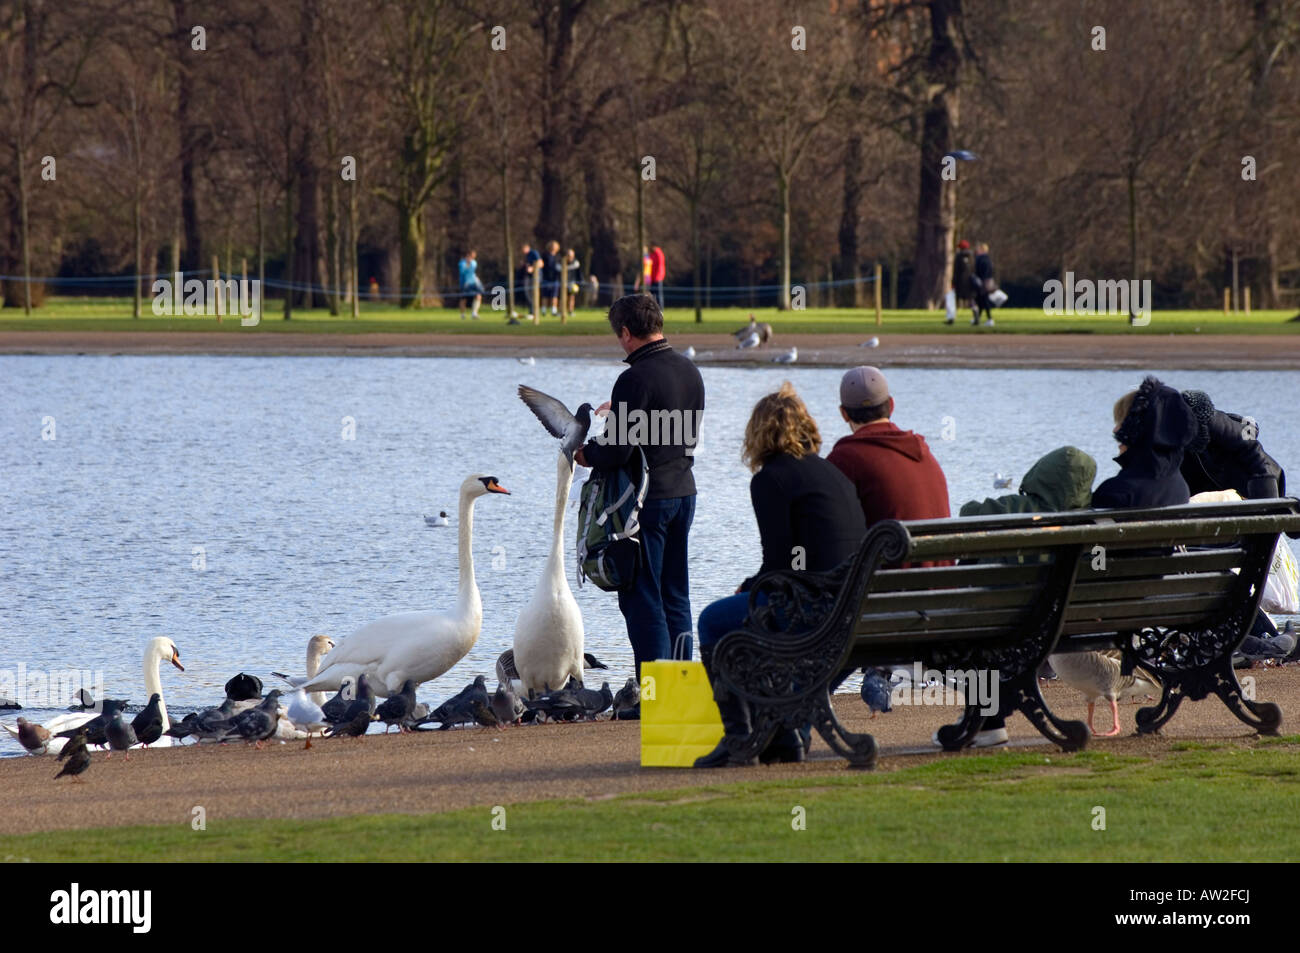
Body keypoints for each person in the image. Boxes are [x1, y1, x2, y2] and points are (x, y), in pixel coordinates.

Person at [694, 382, 867, 767]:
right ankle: (785, 735)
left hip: (814, 608)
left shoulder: (771, 479)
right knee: (757, 611)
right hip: (852, 607)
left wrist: (750, 586)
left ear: (759, 432)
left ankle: (740, 739)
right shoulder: (831, 472)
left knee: (713, 622)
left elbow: (779, 564)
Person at [574, 294, 705, 706]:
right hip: (684, 493)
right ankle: (681, 693)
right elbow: (668, 428)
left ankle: (656, 701)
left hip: (646, 505)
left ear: (627, 333)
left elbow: (617, 452)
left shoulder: (634, 378)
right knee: (676, 597)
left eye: (619, 336)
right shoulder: (689, 370)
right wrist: (625, 414)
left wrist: (585, 452)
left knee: (643, 600)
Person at [955, 446, 1098, 747]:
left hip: (1005, 620)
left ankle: (987, 718)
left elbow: (967, 513)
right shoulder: (1094, 519)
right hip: (1065, 623)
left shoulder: (1016, 507)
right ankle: (988, 715)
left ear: (1040, 476)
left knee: (977, 634)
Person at [826, 366, 951, 532]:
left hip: (890, 557)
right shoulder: (923, 452)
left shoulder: (845, 458)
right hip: (939, 556)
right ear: (891, 405)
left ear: (844, 414)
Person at [1092, 376, 1197, 509]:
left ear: (1138, 428)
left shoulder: (1116, 492)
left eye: (1122, 422)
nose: (1116, 429)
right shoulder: (1180, 486)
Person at [1180, 389, 1287, 500]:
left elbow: (1253, 448)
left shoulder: (1214, 422)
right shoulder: (1169, 433)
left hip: (1258, 479)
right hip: (1210, 487)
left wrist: (1266, 503)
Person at [949, 239, 973, 325]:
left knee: (954, 300)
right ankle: (976, 315)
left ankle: (951, 318)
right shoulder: (971, 257)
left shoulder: (958, 257)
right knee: (971, 299)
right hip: (969, 282)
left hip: (959, 282)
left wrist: (953, 282)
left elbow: (956, 271)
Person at [457, 250, 484, 320]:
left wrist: (477, 280)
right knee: (463, 299)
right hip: (464, 283)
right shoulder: (461, 263)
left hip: (473, 283)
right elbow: (463, 272)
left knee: (478, 296)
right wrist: (467, 264)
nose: (473, 258)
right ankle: (462, 314)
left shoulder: (474, 262)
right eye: (472, 256)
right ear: (468, 255)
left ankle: (474, 313)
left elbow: (472, 272)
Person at [972, 242, 995, 326]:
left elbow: (982, 272)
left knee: (984, 301)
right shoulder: (987, 259)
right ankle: (978, 319)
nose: (976, 250)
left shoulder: (981, 259)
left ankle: (989, 319)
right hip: (986, 282)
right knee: (981, 301)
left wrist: (980, 280)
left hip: (983, 283)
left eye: (978, 249)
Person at [542, 240, 562, 316]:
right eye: (552, 246)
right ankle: (543, 310)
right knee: (545, 295)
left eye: (555, 246)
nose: (553, 247)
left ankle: (553, 310)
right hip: (546, 278)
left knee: (554, 295)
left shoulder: (558, 256)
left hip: (555, 279)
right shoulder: (545, 255)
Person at [563, 248, 582, 314]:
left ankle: (571, 311)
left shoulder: (575, 263)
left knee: (571, 297)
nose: (569, 257)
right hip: (564, 283)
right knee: (563, 297)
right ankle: (562, 311)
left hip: (572, 283)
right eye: (568, 255)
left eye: (570, 255)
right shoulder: (562, 262)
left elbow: (579, 273)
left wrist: (580, 281)